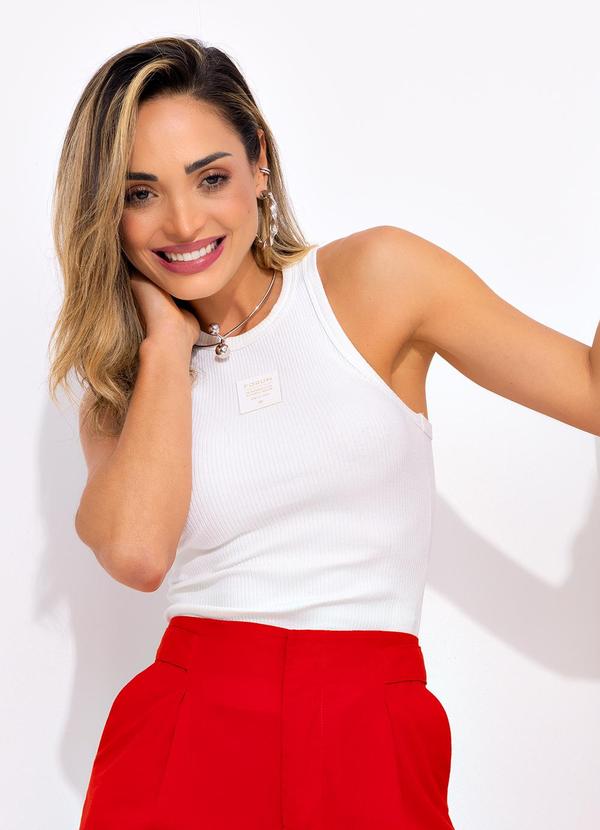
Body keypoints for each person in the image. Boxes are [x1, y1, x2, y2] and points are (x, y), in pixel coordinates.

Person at [48, 35, 599, 830]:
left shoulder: (376, 280)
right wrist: (166, 345)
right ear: (108, 211)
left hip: (368, 726)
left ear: (259, 163)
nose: (183, 220)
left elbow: (591, 393)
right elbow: (136, 554)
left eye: (211, 178)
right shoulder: (119, 390)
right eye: (141, 193)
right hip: (187, 735)